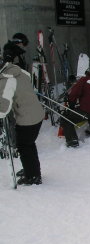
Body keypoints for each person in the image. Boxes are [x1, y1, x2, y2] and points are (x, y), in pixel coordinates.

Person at [0, 55, 45, 185]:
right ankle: (31, 170)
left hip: (27, 119)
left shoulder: (6, 80)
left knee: (24, 146)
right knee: (29, 144)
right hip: (36, 113)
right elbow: (29, 79)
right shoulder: (16, 70)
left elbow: (3, 109)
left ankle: (33, 176)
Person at [60, 67, 90, 147]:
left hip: (87, 110)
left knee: (65, 118)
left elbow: (74, 93)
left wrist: (71, 106)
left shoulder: (85, 79)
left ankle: (72, 141)